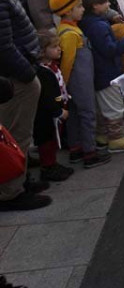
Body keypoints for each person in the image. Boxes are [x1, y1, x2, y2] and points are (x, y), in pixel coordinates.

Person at [0, 0, 51, 211]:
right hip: (15, 78)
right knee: (14, 134)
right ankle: (10, 191)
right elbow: (3, 46)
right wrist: (27, 72)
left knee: (22, 133)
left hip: (20, 73)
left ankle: (19, 181)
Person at [53, 0, 111, 169]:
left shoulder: (69, 29)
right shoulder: (70, 34)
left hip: (75, 82)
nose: (82, 9)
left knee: (75, 116)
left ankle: (76, 149)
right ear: (68, 11)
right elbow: (68, 62)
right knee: (87, 114)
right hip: (79, 82)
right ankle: (90, 153)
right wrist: (64, 85)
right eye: (78, 7)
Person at [78, 0, 124, 154]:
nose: (108, 4)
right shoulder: (98, 26)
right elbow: (110, 49)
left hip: (99, 72)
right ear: (95, 6)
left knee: (102, 106)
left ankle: (102, 135)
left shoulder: (89, 22)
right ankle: (115, 138)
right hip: (106, 72)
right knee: (114, 106)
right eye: (105, 2)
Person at [33, 30, 74, 181]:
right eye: (54, 47)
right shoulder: (43, 72)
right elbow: (47, 97)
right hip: (46, 116)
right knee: (47, 141)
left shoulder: (52, 66)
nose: (59, 49)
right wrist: (58, 110)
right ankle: (48, 167)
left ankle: (52, 163)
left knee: (53, 139)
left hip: (55, 110)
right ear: (43, 51)